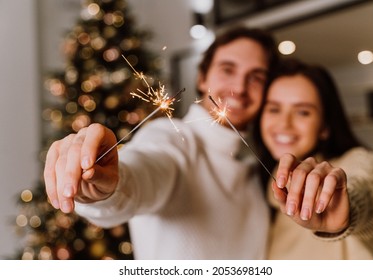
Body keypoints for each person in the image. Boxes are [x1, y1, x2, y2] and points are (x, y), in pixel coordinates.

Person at [43, 26, 279, 259]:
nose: (240, 87)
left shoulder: (257, 166)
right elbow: (143, 172)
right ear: (202, 78)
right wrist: (105, 188)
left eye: (256, 77)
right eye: (228, 70)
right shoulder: (172, 136)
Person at [253, 58, 373, 259]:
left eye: (303, 112)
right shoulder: (262, 188)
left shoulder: (358, 161)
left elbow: (365, 187)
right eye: (274, 109)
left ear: (325, 126)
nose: (284, 123)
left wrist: (347, 209)